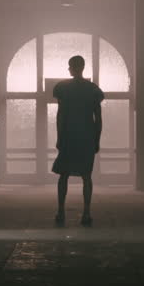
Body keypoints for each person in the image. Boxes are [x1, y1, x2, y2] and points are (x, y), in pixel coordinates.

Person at [52, 54, 103, 227]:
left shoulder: (62, 88)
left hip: (68, 136)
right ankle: (86, 213)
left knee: (63, 175)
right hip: (86, 137)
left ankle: (60, 211)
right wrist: (97, 139)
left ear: (74, 68)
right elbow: (98, 118)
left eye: (69, 66)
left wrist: (59, 137)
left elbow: (60, 116)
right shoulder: (93, 90)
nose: (68, 69)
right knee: (86, 176)